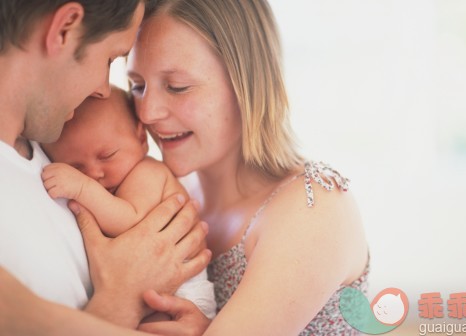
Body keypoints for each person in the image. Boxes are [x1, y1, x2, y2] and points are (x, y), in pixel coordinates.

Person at [126, 0, 370, 334]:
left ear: (247, 83)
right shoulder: (169, 195)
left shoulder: (314, 206)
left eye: (177, 87)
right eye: (137, 86)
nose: (147, 112)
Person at [0, 1, 210, 335]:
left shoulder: (50, 144)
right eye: (110, 59)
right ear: (65, 28)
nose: (102, 89)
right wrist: (121, 300)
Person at [41, 86, 216, 319]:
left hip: (185, 292)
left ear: (141, 138)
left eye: (107, 156)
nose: (95, 174)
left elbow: (129, 221)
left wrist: (81, 187)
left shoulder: (148, 172)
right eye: (76, 168)